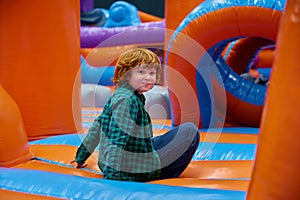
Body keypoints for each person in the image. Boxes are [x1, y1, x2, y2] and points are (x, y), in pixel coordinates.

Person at [72, 48, 200, 182]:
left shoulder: (121, 93)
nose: (148, 78)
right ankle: (159, 175)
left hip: (129, 157)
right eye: (141, 72)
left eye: (152, 73)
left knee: (164, 138)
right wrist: (112, 176)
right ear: (126, 75)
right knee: (189, 132)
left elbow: (98, 126)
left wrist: (81, 156)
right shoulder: (127, 101)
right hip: (129, 170)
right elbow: (117, 139)